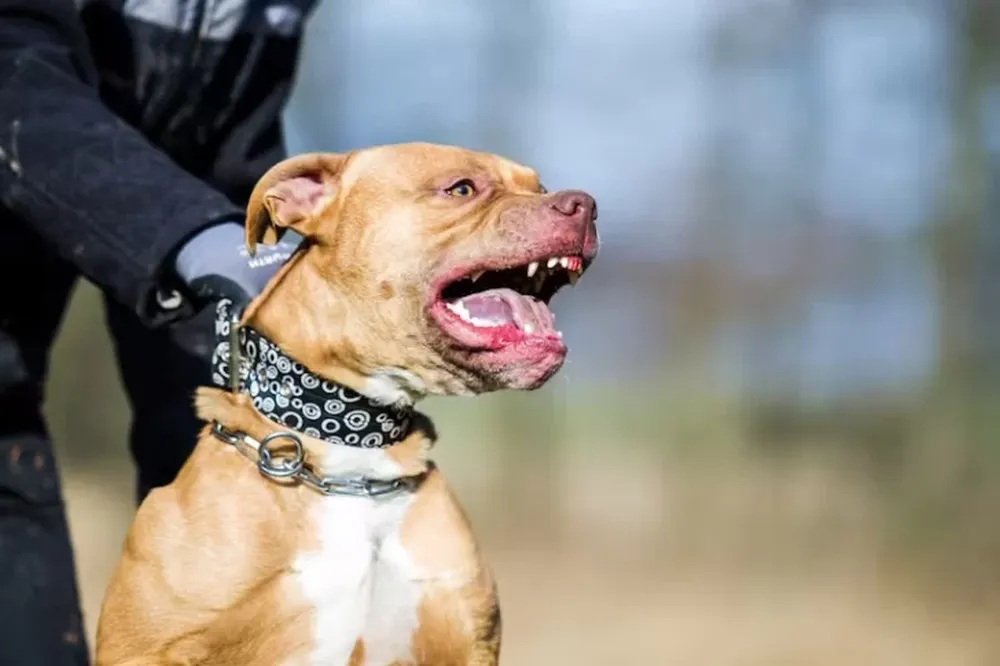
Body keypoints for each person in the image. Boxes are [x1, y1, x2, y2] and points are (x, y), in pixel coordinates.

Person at [0, 1, 323, 663]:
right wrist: (193, 235)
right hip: (26, 101)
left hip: (196, 149)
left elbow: (229, 125)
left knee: (232, 466)